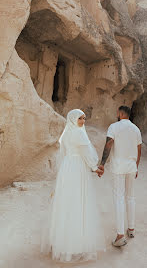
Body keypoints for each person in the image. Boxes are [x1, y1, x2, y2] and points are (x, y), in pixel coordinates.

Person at [41, 109, 105, 262]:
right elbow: (86, 152)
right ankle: (76, 246)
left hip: (67, 167)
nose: (83, 121)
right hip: (77, 168)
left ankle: (61, 243)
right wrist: (95, 168)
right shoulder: (79, 133)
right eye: (80, 118)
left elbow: (62, 153)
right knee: (77, 202)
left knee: (66, 202)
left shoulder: (67, 133)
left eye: (84, 118)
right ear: (73, 119)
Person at [98, 106, 142, 247]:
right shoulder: (136, 129)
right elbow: (139, 149)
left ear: (120, 113)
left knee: (118, 199)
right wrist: (136, 166)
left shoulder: (114, 127)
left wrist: (102, 164)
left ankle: (120, 235)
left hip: (118, 167)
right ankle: (131, 228)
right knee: (130, 197)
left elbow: (109, 144)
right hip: (131, 166)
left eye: (117, 112)